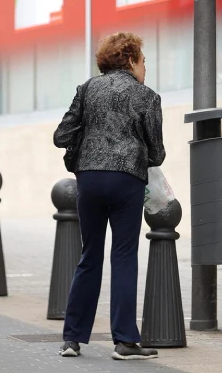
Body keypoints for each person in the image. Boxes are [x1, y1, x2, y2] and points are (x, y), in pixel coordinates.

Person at [53, 32, 166, 360]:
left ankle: (72, 340)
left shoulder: (87, 89)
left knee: (89, 256)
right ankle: (125, 341)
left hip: (88, 179)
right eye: (144, 61)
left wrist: (87, 146)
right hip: (126, 181)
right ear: (130, 60)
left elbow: (62, 135)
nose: (146, 68)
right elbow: (156, 153)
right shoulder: (146, 96)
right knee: (123, 256)